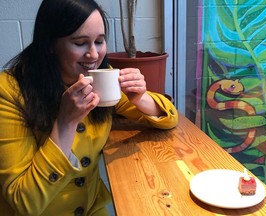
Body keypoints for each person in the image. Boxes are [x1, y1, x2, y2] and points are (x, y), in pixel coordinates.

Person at [0, 0, 178, 215]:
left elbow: (170, 119)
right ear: (49, 44)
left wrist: (140, 98)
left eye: (100, 41)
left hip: (91, 207)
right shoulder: (9, 90)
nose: (94, 54)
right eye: (80, 43)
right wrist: (66, 123)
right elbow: (24, 202)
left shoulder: (100, 77)